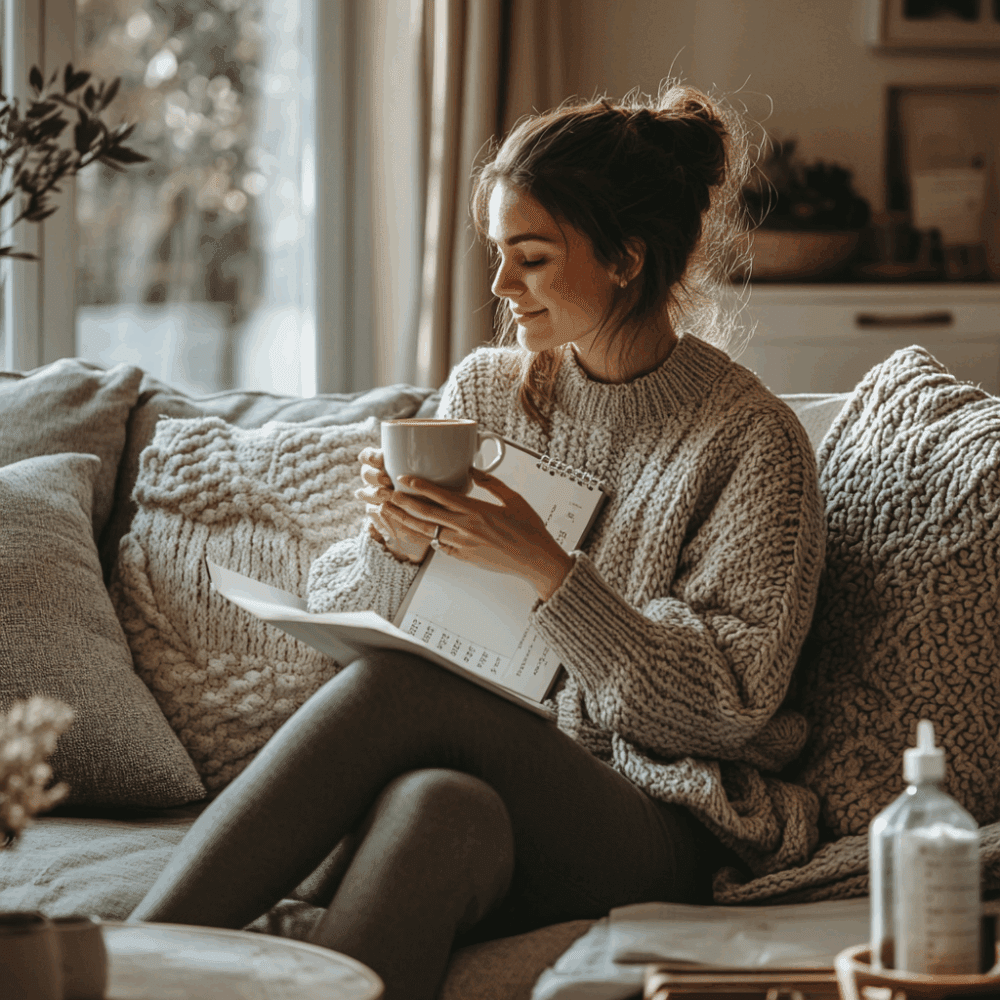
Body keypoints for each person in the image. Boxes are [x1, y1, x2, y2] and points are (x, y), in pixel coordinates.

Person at [128, 81, 826, 1000]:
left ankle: (118, 969)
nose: (500, 287)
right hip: (486, 784)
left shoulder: (748, 442)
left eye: (530, 257)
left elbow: (728, 703)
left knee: (405, 691)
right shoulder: (488, 394)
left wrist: (546, 565)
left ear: (626, 258)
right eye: (498, 254)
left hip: (658, 819)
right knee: (435, 811)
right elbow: (360, 607)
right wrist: (394, 543)